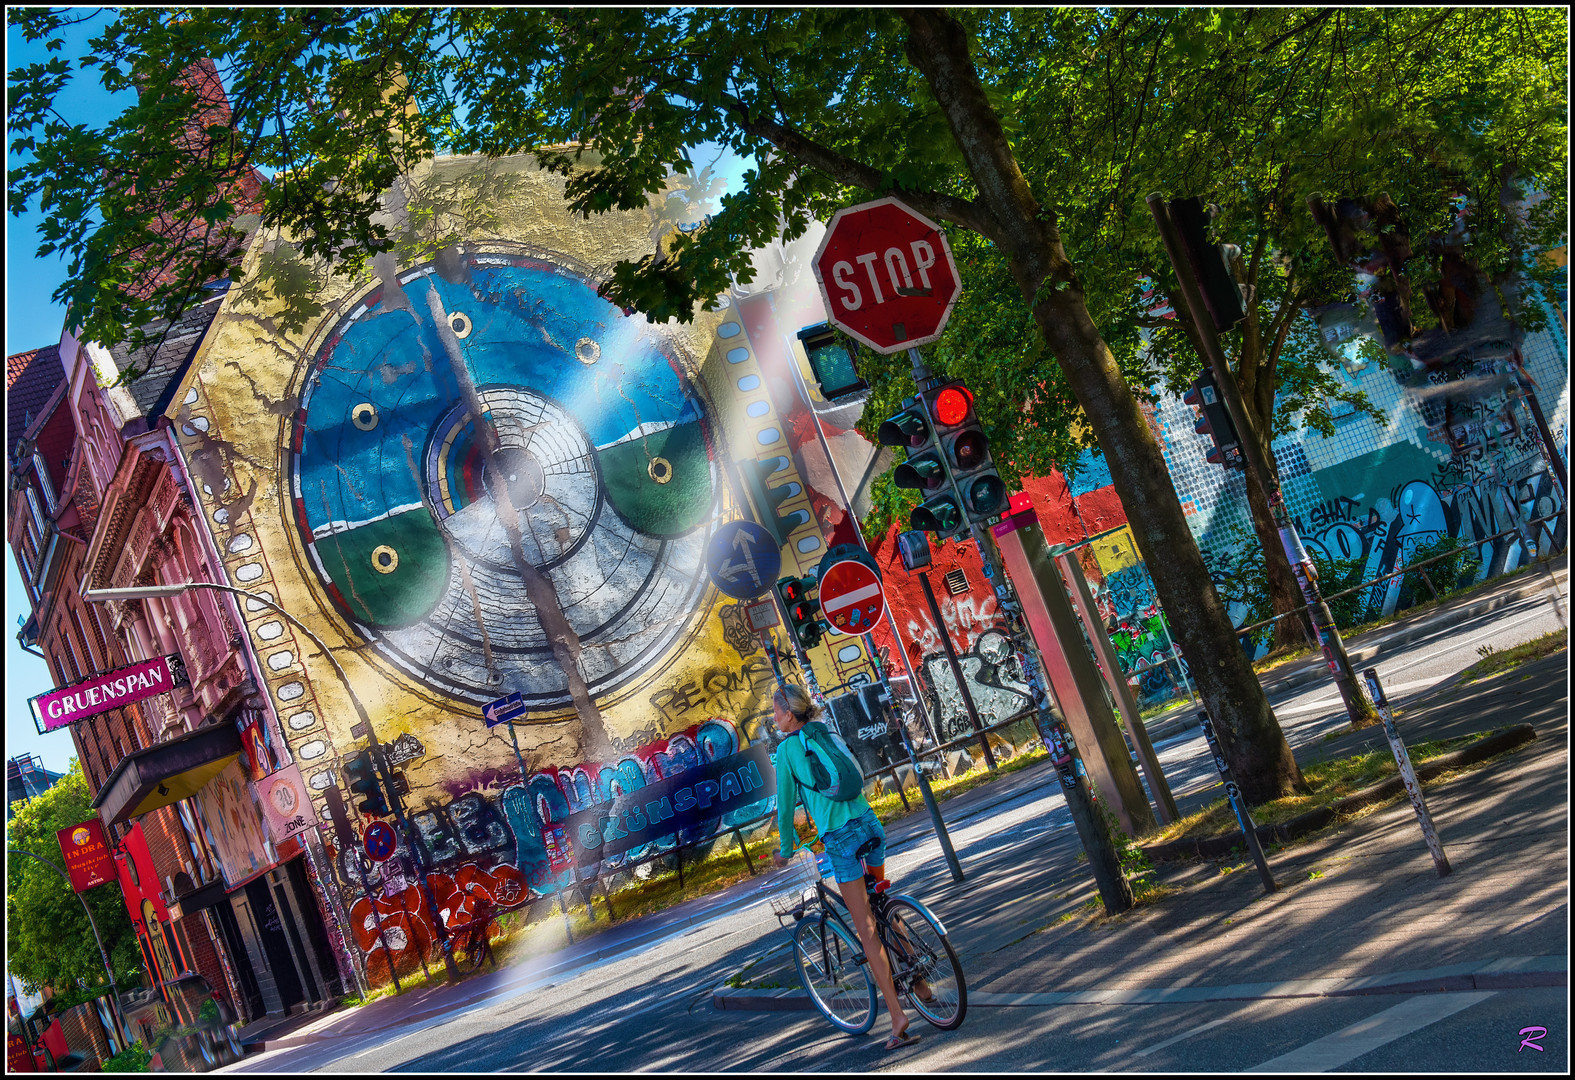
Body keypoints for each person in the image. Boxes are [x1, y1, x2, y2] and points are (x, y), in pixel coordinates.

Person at [769, 683, 919, 1050]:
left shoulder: (788, 749)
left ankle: (898, 1017)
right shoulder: (825, 730)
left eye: (775, 711)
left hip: (841, 839)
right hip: (869, 823)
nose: (774, 718)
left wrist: (785, 849)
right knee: (883, 906)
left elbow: (786, 806)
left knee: (866, 928)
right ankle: (923, 984)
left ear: (789, 713)